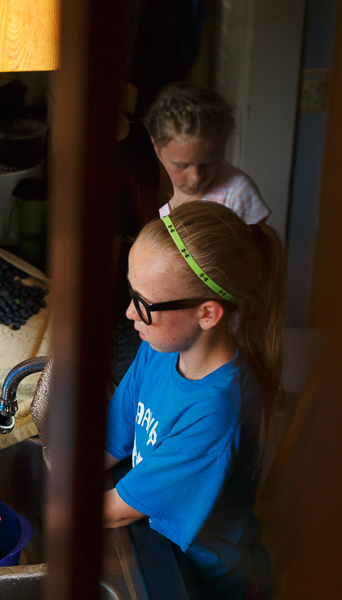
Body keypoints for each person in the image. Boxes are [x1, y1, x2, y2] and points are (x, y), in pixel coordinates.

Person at [104, 202, 282, 600]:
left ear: (207, 314)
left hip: (199, 582)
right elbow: (110, 439)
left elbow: (119, 509)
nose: (130, 312)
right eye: (131, 292)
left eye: (145, 305)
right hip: (158, 546)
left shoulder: (217, 411)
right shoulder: (158, 347)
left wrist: (49, 509)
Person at [144, 82, 270, 225]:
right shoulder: (146, 186)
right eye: (182, 165)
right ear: (155, 147)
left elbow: (258, 247)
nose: (195, 178)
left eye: (209, 163)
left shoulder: (239, 193)